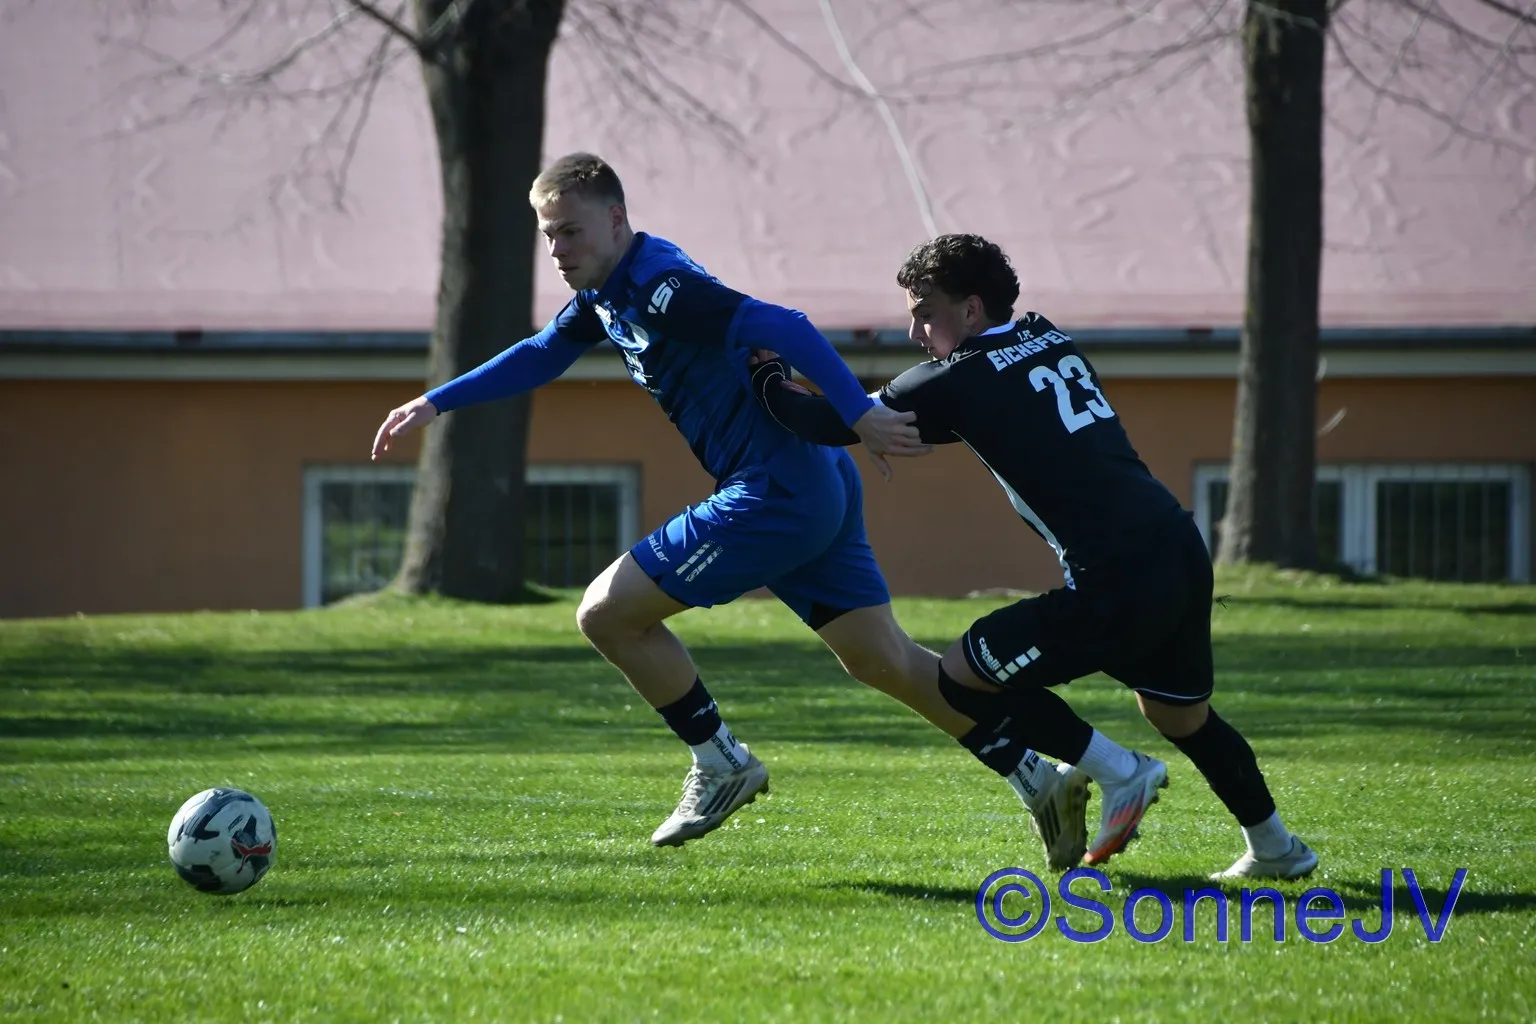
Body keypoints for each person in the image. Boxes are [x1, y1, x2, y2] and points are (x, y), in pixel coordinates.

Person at [370, 154, 1145, 865]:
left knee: (607, 614)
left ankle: (719, 760)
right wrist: (436, 401)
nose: (558, 249)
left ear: (616, 219)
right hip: (811, 483)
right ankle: (1041, 776)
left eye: (570, 230)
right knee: (884, 661)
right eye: (548, 235)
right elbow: (544, 350)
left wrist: (860, 413)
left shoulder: (659, 286)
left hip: (775, 490)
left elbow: (784, 326)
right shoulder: (606, 292)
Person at [749, 233, 1318, 879]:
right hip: (1177, 547)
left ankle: (1120, 771)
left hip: (1117, 575)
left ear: (971, 309)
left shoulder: (957, 376)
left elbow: (830, 422)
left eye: (925, 313)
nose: (914, 331)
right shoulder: (1047, 336)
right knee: (1179, 713)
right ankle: (1276, 847)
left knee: (962, 675)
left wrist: (766, 375)